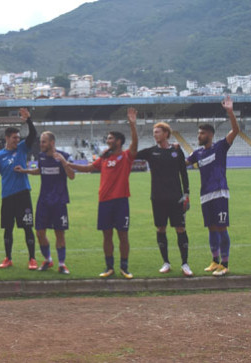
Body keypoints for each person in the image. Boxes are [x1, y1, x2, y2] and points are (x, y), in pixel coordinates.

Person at [67, 108, 138, 279]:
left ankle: (124, 267)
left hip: (121, 201)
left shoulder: (127, 156)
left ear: (119, 141)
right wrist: (67, 164)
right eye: (107, 139)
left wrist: (132, 125)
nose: (108, 141)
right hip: (104, 202)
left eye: (111, 139)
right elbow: (88, 168)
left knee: (123, 235)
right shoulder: (104, 158)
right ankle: (109, 267)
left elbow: (134, 144)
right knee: (107, 236)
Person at [186, 95, 239, 276]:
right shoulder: (197, 153)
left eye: (201, 133)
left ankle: (225, 264)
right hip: (205, 195)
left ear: (209, 135)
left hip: (220, 193)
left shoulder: (220, 147)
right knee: (211, 228)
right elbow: (183, 163)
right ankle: (215, 261)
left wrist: (230, 112)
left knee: (222, 228)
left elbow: (235, 131)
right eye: (198, 133)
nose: (198, 136)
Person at [0, 108, 38, 270]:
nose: (17, 140)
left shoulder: (21, 148)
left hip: (23, 195)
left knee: (28, 227)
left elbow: (33, 135)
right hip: (7, 197)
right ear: (7, 138)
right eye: (14, 138)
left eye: (18, 138)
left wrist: (28, 120)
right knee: (8, 229)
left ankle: (32, 259)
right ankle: (8, 258)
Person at [14, 131, 74, 274]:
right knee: (40, 233)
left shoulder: (63, 156)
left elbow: (72, 176)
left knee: (60, 234)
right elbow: (40, 171)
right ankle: (48, 260)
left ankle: (61, 264)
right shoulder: (41, 156)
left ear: (52, 143)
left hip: (59, 201)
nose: (40, 144)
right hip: (43, 202)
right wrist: (25, 171)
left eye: (44, 142)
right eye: (40, 142)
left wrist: (64, 163)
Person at [136, 122, 192, 276]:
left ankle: (185, 263)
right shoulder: (150, 152)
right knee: (161, 228)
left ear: (166, 134)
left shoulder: (176, 151)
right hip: (158, 198)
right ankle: (166, 262)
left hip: (176, 198)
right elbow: (131, 155)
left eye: (158, 132)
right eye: (154, 132)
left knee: (180, 228)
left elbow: (183, 173)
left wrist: (186, 193)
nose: (155, 135)